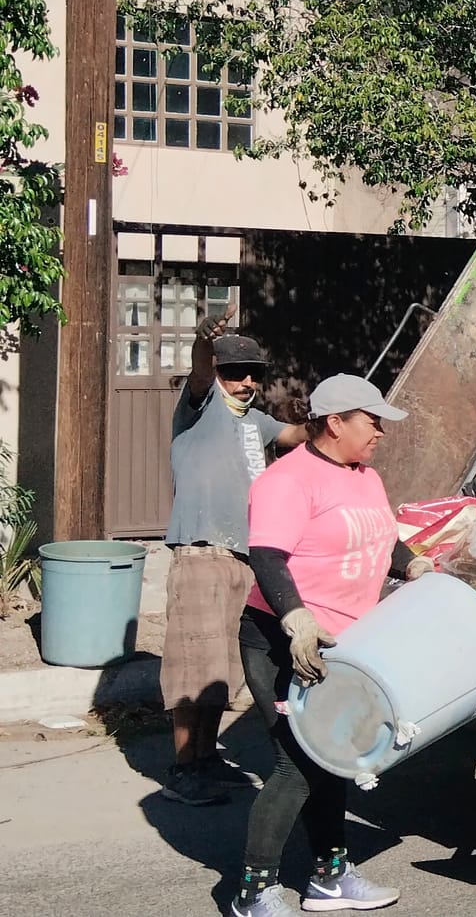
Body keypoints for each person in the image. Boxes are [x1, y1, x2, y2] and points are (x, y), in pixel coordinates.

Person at [233, 374, 432, 917]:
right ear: (335, 421)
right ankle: (252, 892)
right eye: (372, 422)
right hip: (283, 639)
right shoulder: (288, 480)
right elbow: (268, 557)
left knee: (337, 756)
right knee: (297, 764)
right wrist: (295, 617)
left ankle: (329, 878)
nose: (380, 433)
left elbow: (384, 536)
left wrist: (413, 563)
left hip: (345, 643)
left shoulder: (364, 477)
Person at [160, 313, 307, 806]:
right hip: (202, 550)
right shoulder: (199, 408)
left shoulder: (255, 421)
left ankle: (205, 758)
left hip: (243, 557)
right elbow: (201, 370)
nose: (246, 382)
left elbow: (296, 437)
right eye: (235, 372)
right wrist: (206, 339)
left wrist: (338, 417)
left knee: (222, 668)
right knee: (193, 664)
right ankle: (183, 768)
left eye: (253, 373)